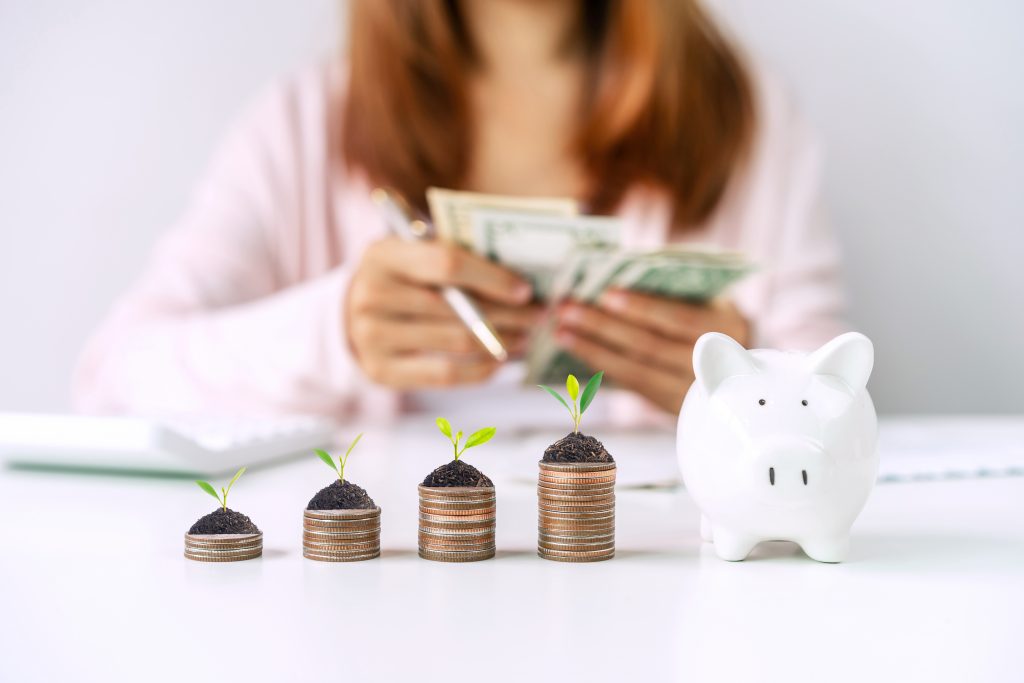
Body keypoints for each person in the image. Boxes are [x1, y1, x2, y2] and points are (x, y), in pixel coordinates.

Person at [73, 0, 845, 423]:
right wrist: (332, 331)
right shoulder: (301, 127)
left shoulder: (746, 121)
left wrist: (747, 378)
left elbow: (844, 403)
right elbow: (112, 378)